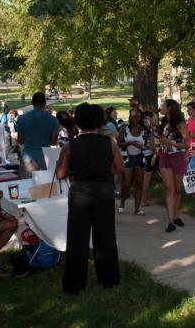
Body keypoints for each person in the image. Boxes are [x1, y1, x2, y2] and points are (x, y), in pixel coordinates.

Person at [56, 103, 124, 295]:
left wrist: (72, 167)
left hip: (80, 194)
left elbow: (60, 174)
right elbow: (119, 167)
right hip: (103, 192)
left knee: (77, 239)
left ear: (78, 122)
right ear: (99, 121)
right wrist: (104, 172)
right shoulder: (109, 143)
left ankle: (74, 284)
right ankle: (109, 278)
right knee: (106, 237)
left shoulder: (70, 146)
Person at [158, 99, 190, 233]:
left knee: (177, 189)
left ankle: (176, 216)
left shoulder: (180, 124)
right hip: (164, 156)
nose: (161, 108)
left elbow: (186, 144)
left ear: (170, 108)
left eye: (163, 106)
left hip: (177, 157)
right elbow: (161, 139)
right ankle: (171, 221)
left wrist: (170, 143)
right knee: (169, 188)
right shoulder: (164, 122)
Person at [16, 92, 59, 178]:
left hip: (28, 157)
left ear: (32, 103)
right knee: (43, 187)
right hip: (45, 157)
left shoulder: (22, 118)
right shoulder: (53, 120)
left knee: (26, 187)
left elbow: (20, 141)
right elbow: (53, 143)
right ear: (45, 103)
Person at [118, 108, 147, 215]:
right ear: (130, 117)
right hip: (127, 159)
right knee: (127, 183)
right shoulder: (124, 129)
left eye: (138, 116)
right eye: (134, 116)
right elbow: (118, 143)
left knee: (139, 183)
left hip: (139, 158)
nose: (136, 118)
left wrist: (142, 146)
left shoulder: (143, 130)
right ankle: (122, 203)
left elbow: (145, 143)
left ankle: (137, 208)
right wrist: (130, 144)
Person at [141, 111, 157, 207]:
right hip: (148, 155)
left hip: (141, 155)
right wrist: (156, 152)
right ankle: (143, 200)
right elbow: (152, 145)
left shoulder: (140, 129)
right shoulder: (149, 130)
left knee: (143, 178)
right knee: (146, 179)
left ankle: (143, 199)